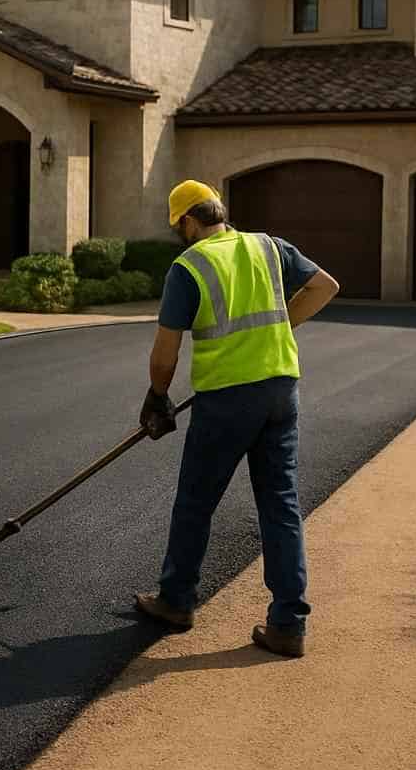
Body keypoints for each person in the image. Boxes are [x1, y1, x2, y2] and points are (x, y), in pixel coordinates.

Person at [133, 180, 339, 658]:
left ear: (187, 221)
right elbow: (326, 286)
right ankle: (288, 625)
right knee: (280, 504)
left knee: (195, 502)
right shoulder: (268, 247)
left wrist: (157, 395)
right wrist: (280, 325)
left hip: (226, 399)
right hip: (281, 390)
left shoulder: (189, 266)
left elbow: (166, 350)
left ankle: (176, 601)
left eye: (177, 226)